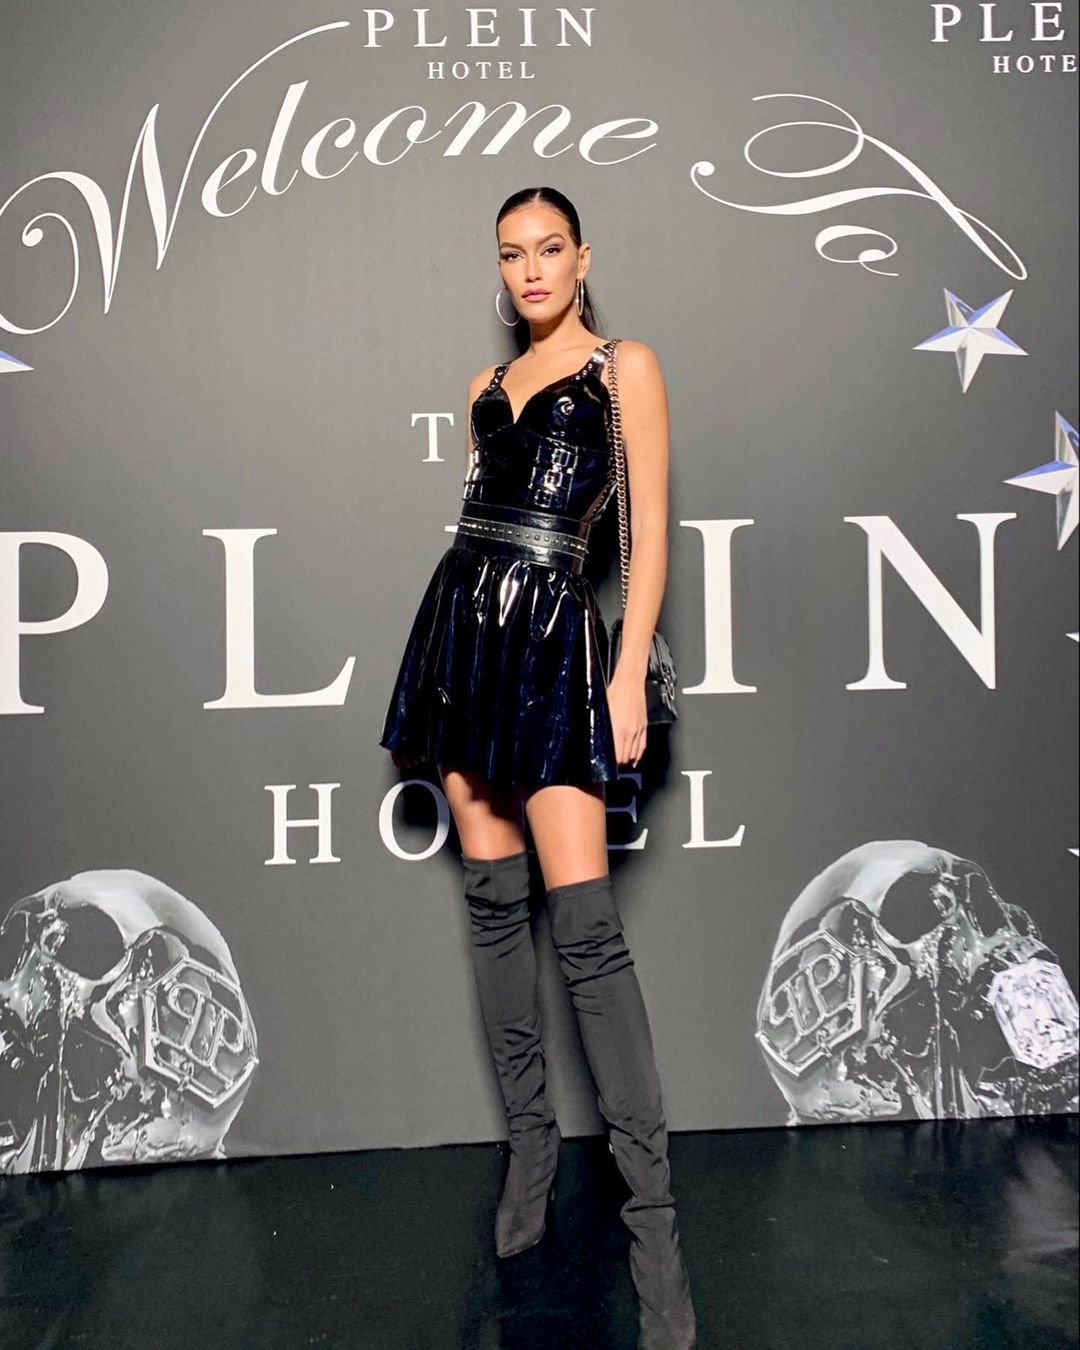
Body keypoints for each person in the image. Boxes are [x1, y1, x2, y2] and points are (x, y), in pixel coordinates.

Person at [378, 185, 697, 1350]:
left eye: (549, 248)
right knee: (492, 906)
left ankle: (653, 1227)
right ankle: (528, 1155)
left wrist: (625, 673)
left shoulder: (624, 368)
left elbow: (647, 531)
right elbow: (479, 523)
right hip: (468, 631)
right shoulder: (486, 386)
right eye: (512, 253)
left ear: (582, 256)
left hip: (561, 640)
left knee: (589, 934)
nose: (531, 270)